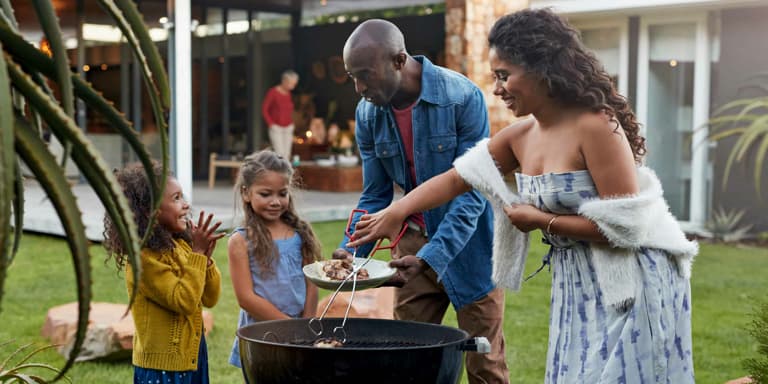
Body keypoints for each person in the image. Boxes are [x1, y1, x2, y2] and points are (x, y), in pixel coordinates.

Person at [348, 9, 697, 384]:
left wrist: (542, 221)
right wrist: (398, 210)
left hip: (632, 276)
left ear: (542, 68)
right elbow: (456, 179)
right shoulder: (521, 135)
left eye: (504, 75)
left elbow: (628, 226)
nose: (496, 88)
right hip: (576, 278)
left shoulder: (596, 126)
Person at [335, 19, 509, 383]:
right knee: (408, 362)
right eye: (352, 76)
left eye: (365, 75)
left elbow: (472, 191)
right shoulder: (368, 112)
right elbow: (375, 193)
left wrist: (433, 257)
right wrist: (352, 251)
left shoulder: (463, 98)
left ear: (399, 61)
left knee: (485, 365)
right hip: (411, 244)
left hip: (472, 245)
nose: (359, 87)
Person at [103, 162, 224, 384]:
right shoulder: (144, 260)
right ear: (150, 211)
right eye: (176, 198)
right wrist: (197, 253)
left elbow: (210, 298)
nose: (186, 205)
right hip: (162, 367)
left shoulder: (181, 246)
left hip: (193, 355)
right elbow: (184, 300)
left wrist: (205, 261)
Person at [227, 150, 322, 371]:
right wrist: (288, 326)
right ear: (246, 193)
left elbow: (311, 283)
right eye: (266, 194)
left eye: (282, 193)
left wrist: (306, 326)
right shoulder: (241, 240)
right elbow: (246, 298)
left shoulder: (300, 233)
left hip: (299, 334)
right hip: (262, 335)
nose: (275, 202)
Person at [262, 70, 299, 159]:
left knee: (287, 154)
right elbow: (264, 109)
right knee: (280, 153)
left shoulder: (288, 94)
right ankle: (279, 171)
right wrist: (271, 124)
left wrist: (292, 124)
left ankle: (285, 172)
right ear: (285, 81)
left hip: (288, 127)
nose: (293, 87)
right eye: (292, 84)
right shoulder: (273, 92)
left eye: (295, 84)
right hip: (276, 128)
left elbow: (288, 111)